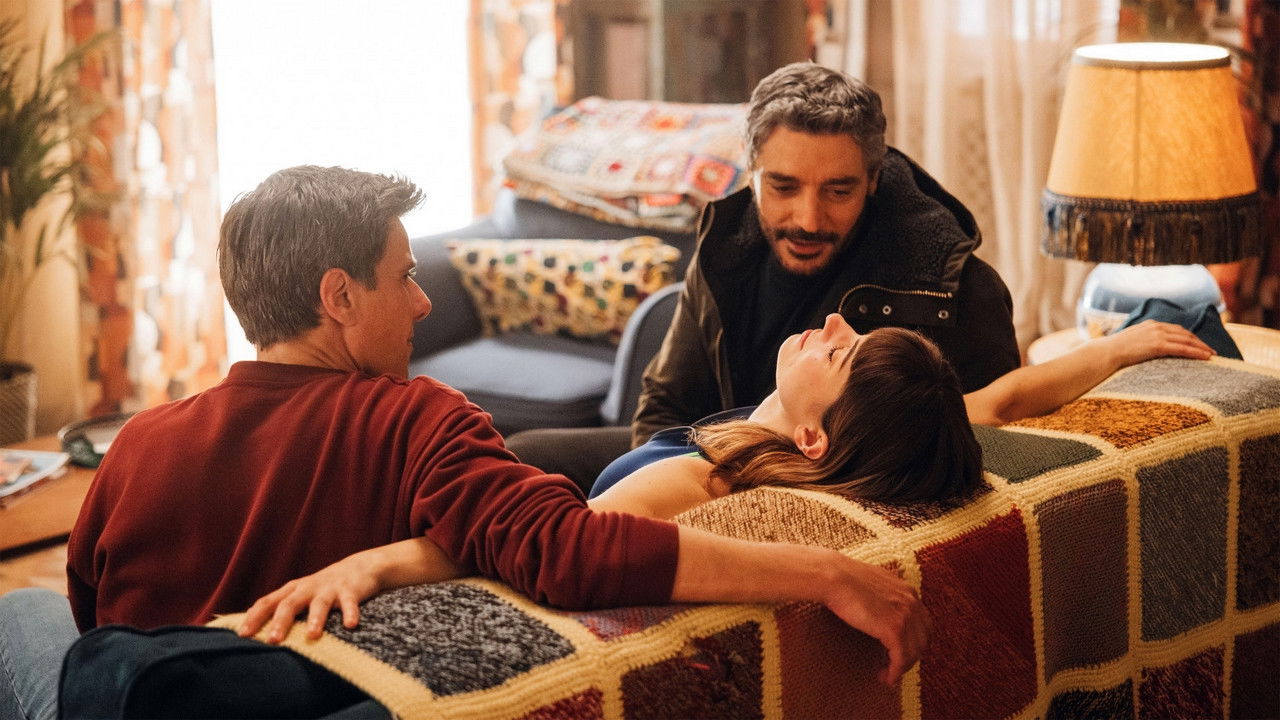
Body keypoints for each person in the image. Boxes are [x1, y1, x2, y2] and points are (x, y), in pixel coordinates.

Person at [0, 166, 926, 720]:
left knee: (23, 618)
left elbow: (94, 619)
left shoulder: (133, 448)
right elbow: (570, 551)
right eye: (403, 277)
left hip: (121, 697)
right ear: (338, 297)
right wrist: (830, 573)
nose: (422, 302)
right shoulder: (416, 419)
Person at [235, 311, 1211, 648]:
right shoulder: (868, 435)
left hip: (544, 496)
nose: (832, 324)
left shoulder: (699, 492)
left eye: (840, 350)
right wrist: (1115, 347)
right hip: (586, 454)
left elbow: (545, 550)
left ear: (815, 439)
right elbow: (997, 399)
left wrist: (376, 562)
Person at [507, 61, 1021, 489]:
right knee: (525, 458)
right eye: (783, 187)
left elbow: (986, 453)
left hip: (807, 483)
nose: (808, 219)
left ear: (874, 178)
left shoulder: (950, 287)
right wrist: (658, 493)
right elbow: (666, 403)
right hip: (713, 454)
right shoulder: (725, 246)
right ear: (750, 170)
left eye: (838, 191)